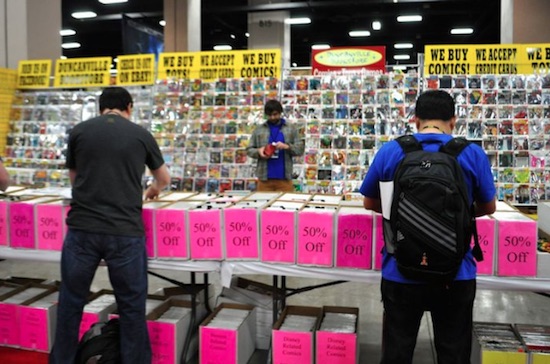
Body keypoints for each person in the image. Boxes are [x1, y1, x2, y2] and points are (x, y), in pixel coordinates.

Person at [359, 90, 496, 364]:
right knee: (453, 352)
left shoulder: (392, 150)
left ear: (415, 120)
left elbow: (369, 202)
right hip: (456, 273)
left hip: (400, 269)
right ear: (454, 120)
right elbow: (488, 207)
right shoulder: (471, 153)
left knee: (397, 351)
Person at [50, 87, 171, 364]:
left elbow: (74, 177)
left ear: (101, 107)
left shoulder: (79, 132)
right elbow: (163, 177)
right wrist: (152, 190)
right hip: (125, 231)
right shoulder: (140, 134)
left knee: (71, 302)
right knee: (131, 306)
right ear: (128, 106)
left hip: (83, 228)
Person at [246, 99, 304, 192]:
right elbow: (249, 149)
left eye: (275, 114)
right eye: (269, 115)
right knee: (263, 205)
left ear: (280, 112)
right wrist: (259, 151)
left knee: (286, 204)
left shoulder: (291, 128)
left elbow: (300, 149)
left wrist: (287, 147)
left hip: (285, 179)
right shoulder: (259, 130)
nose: (272, 117)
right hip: (264, 179)